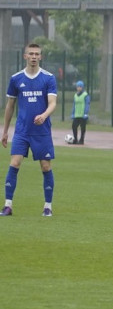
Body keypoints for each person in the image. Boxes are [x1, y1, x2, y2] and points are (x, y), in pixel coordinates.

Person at [2, 42, 58, 217]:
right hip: (22, 131)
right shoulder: (16, 79)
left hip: (41, 132)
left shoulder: (48, 78)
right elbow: (10, 106)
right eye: (31, 54)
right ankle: (7, 205)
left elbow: (53, 103)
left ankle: (48, 206)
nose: (34, 57)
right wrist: (5, 131)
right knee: (15, 163)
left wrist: (44, 115)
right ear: (25, 56)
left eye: (37, 54)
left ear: (40, 57)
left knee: (45, 166)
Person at [70, 80, 90, 145]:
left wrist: (86, 113)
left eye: (80, 86)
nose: (79, 88)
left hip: (82, 115)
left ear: (82, 87)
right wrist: (72, 113)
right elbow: (74, 105)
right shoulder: (75, 95)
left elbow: (87, 104)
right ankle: (75, 139)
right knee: (74, 126)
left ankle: (82, 140)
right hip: (76, 115)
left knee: (82, 127)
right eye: (78, 86)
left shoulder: (85, 95)